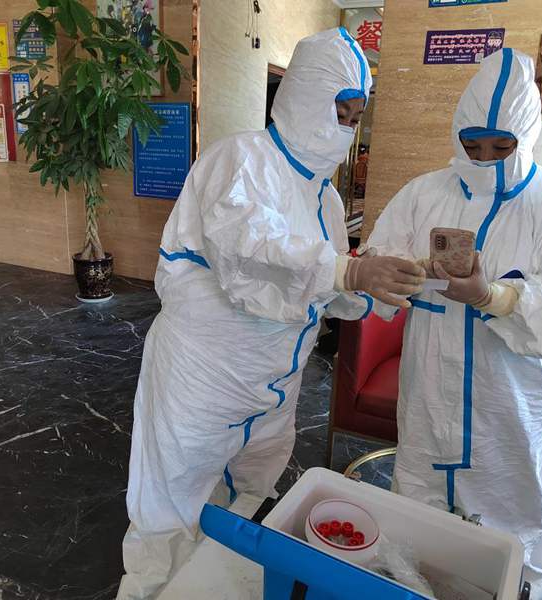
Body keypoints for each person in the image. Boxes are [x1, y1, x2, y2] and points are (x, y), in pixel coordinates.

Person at [118, 28, 425, 600]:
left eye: (355, 118)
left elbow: (321, 286)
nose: (345, 129)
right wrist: (346, 272)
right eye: (339, 113)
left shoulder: (325, 197)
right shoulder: (240, 160)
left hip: (274, 384)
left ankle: (210, 581)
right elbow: (249, 250)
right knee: (172, 500)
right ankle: (153, 590)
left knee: (248, 491)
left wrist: (379, 285)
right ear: (304, 97)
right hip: (204, 375)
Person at [364, 48, 542, 599]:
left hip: (510, 407)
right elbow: (378, 263)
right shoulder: (423, 194)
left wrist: (495, 297)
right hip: (429, 393)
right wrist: (395, 273)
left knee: (511, 520)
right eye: (471, 145)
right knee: (420, 500)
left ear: (526, 136)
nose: (483, 159)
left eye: (501, 147)